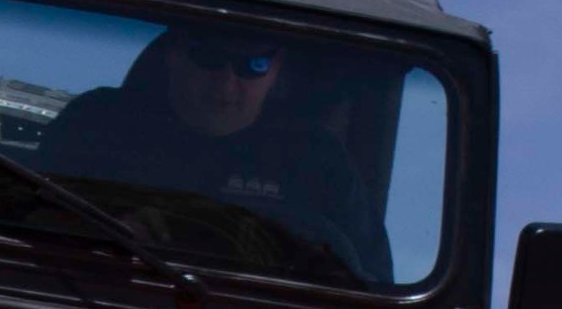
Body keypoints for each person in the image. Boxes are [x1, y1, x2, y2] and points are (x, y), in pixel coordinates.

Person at [36, 25, 391, 282]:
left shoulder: (316, 160)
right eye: (210, 58)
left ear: (276, 70)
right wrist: (106, 235)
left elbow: (370, 288)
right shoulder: (96, 125)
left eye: (252, 66)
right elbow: (26, 220)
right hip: (100, 302)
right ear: (175, 54)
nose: (226, 84)